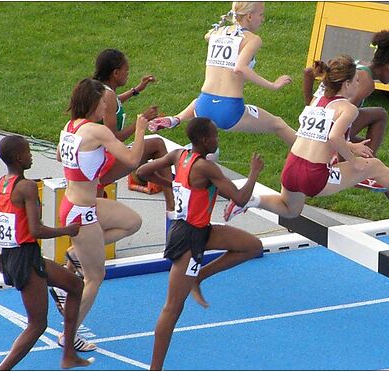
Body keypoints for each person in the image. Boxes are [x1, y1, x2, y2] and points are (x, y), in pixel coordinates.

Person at [224, 55, 389, 222]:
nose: (359, 86)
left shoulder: (317, 101)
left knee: (290, 209)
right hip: (314, 175)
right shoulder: (347, 109)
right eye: (357, 82)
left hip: (292, 168)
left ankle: (250, 200)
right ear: (347, 84)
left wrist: (350, 145)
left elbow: (315, 135)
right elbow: (332, 136)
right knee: (373, 166)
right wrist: (354, 160)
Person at [136, 117, 264, 370]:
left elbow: (141, 172)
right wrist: (253, 173)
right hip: (188, 237)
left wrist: (171, 183)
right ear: (205, 140)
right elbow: (239, 198)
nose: (218, 140)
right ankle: (155, 369)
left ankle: (199, 276)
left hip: (200, 229)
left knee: (252, 246)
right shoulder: (205, 167)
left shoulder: (178, 155)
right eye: (215, 135)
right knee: (172, 308)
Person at [0, 135, 94, 370]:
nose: (31, 156)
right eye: (28, 152)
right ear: (19, 158)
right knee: (37, 325)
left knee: (76, 286)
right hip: (26, 259)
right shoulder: (26, 186)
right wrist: (67, 230)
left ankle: (68, 355)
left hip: (15, 256)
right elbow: (36, 230)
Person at [55, 78, 146, 351]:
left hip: (78, 204)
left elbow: (61, 157)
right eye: (104, 104)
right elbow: (132, 161)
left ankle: (75, 254)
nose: (107, 108)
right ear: (94, 104)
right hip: (82, 212)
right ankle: (68, 336)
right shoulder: (96, 132)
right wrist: (141, 131)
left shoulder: (70, 128)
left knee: (132, 222)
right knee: (95, 277)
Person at [303, 30, 389, 219]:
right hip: (330, 128)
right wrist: (346, 154)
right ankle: (363, 173)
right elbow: (345, 115)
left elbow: (308, 73)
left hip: (317, 120)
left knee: (371, 154)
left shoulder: (360, 65)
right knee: (379, 116)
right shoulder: (365, 81)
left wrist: (309, 103)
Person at [148, 2, 297, 146]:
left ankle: (177, 118)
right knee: (278, 124)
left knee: (200, 101)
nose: (263, 19)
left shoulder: (217, 33)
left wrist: (224, 26)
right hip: (229, 110)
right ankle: (307, 158)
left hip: (203, 106)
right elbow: (240, 68)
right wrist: (273, 85)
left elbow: (207, 35)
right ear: (250, 16)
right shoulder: (253, 40)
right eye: (261, 14)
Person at [92, 48, 175, 213]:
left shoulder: (100, 88)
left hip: (95, 162)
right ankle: (172, 207)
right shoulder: (107, 96)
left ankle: (167, 198)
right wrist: (141, 122)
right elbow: (114, 139)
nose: (127, 74)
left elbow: (114, 103)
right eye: (126, 70)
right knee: (157, 144)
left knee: (97, 217)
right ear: (115, 73)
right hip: (103, 164)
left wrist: (136, 90)